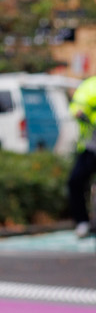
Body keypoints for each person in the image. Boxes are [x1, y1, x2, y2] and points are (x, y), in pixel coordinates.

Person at [69, 74, 96, 239]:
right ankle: (82, 222)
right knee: (75, 181)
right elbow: (76, 107)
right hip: (90, 146)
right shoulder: (90, 85)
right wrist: (79, 114)